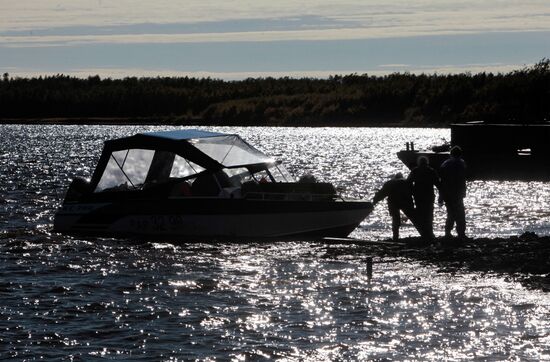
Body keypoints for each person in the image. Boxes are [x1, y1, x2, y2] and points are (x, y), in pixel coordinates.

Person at [372, 172, 417, 241]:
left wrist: (374, 201)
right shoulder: (407, 182)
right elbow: (414, 193)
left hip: (393, 202)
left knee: (395, 220)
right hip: (405, 201)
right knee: (413, 217)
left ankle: (395, 237)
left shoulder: (389, 183)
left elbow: (382, 193)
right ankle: (424, 232)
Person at [408, 156, 440, 240]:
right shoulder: (431, 171)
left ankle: (424, 232)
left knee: (421, 213)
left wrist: (412, 192)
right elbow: (438, 184)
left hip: (418, 196)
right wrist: (442, 195)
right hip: (429, 195)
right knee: (429, 213)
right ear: (427, 162)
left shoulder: (415, 171)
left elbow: (408, 182)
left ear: (419, 163)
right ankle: (430, 232)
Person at [439, 146, 467, 239]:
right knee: (460, 213)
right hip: (457, 192)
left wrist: (441, 196)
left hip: (447, 192)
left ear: (451, 154)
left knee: (450, 213)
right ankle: (461, 233)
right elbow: (462, 179)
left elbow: (442, 181)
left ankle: (447, 232)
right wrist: (463, 191)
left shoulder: (445, 164)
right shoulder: (461, 163)